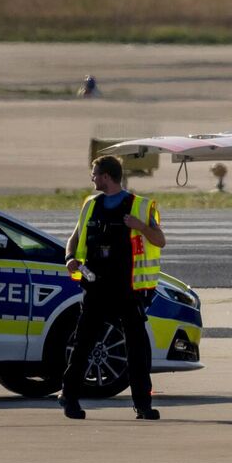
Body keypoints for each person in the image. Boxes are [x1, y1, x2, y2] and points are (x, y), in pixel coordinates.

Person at [61, 155, 165, 421]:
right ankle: (69, 396)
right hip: (95, 287)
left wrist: (140, 227)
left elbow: (160, 240)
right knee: (83, 344)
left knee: (137, 349)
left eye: (95, 174)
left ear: (107, 176)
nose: (92, 178)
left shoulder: (140, 206)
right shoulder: (90, 205)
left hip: (128, 290)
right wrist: (70, 257)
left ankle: (142, 404)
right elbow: (75, 236)